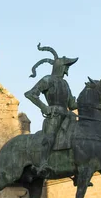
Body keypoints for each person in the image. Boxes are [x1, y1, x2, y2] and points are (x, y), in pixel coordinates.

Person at [24, 44, 78, 177]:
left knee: (78, 136)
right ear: (61, 67)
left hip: (67, 116)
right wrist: (44, 107)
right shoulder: (48, 80)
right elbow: (30, 94)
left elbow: (71, 104)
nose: (67, 70)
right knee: (50, 138)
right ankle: (43, 163)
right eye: (66, 67)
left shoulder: (65, 84)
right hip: (53, 116)